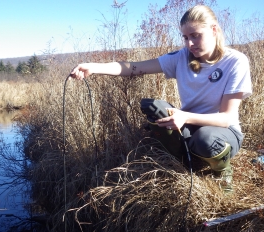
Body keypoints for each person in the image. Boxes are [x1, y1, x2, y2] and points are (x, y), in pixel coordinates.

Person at [69, 5, 252, 192]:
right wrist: (94, 67)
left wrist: (185, 117)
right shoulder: (182, 57)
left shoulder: (235, 61)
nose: (189, 44)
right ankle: (188, 159)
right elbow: (133, 67)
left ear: (214, 30)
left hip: (223, 132)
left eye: (195, 35)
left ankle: (222, 170)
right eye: (186, 37)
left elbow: (226, 118)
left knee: (205, 139)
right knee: (155, 109)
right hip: (190, 127)